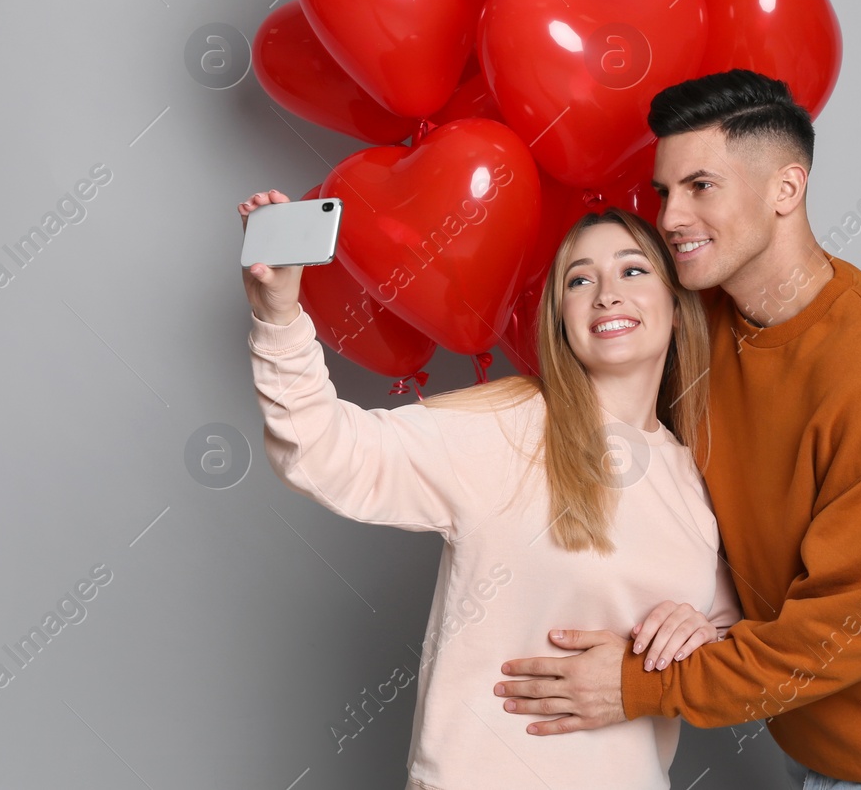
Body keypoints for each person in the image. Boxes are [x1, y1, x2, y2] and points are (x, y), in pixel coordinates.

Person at [493, 70, 861, 789]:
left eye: (701, 186)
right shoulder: (700, 323)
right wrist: (702, 609)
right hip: (817, 745)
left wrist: (637, 687)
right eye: (664, 192)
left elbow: (851, 626)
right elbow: (653, 469)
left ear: (786, 189)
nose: (672, 217)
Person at [240, 195, 740, 790]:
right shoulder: (509, 428)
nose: (607, 293)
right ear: (561, 318)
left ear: (678, 309)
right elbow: (322, 451)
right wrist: (279, 315)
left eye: (633, 270)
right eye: (579, 280)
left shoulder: (691, 474)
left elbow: (734, 635)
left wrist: (703, 632)